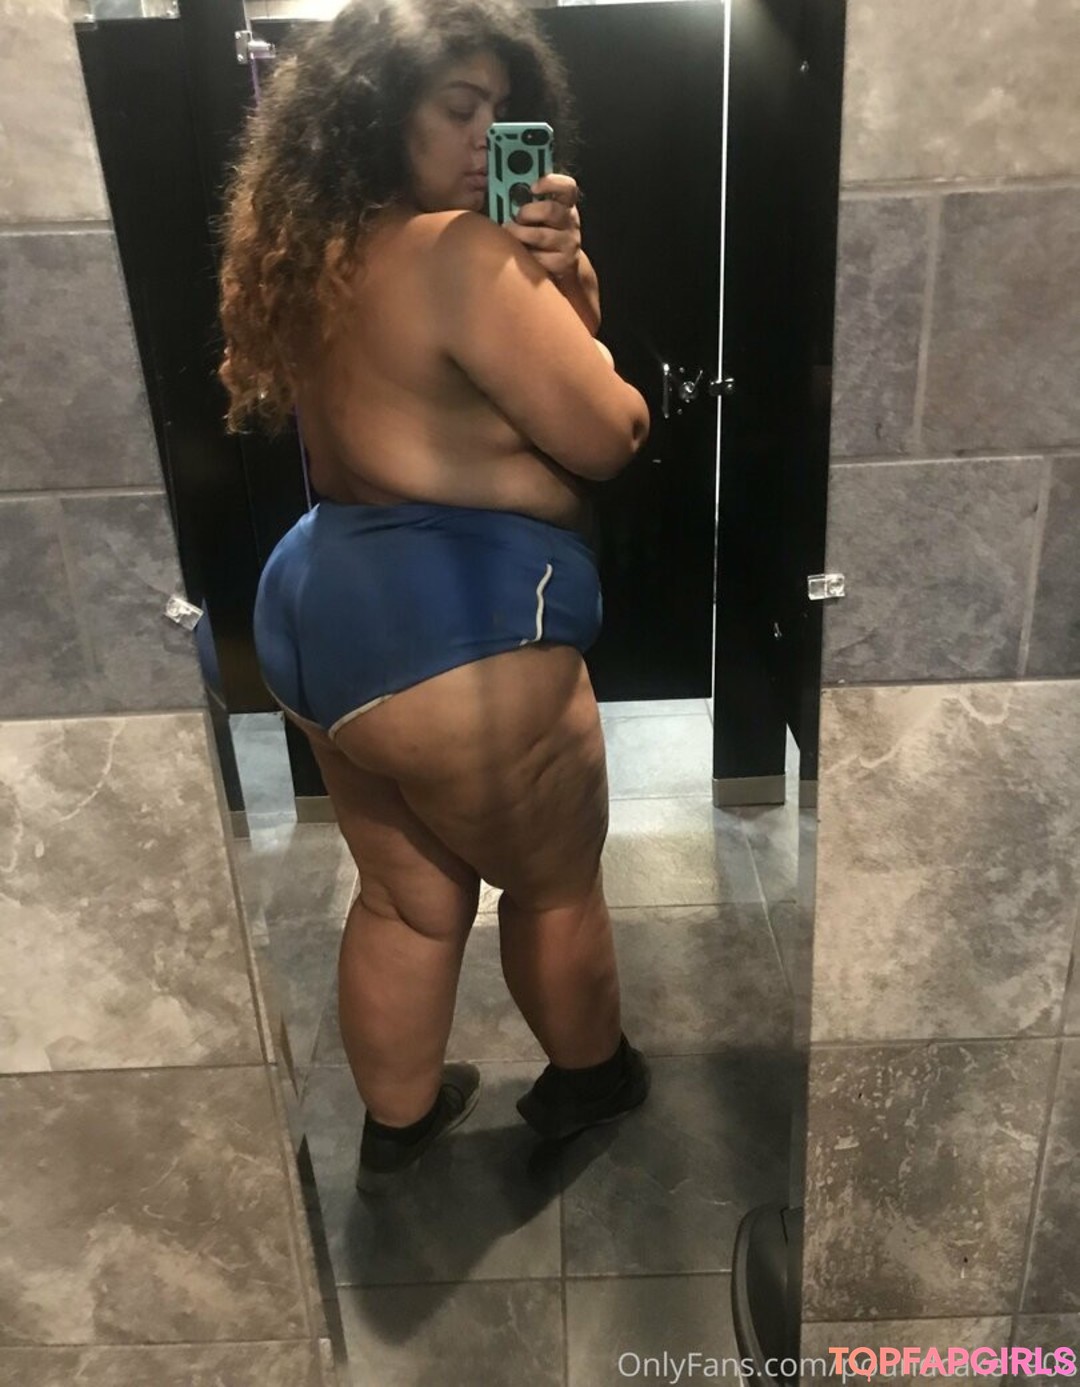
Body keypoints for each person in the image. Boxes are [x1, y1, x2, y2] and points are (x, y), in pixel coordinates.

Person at [217, 0, 651, 1193]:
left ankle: (399, 1122)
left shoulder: (320, 249)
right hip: (461, 633)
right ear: (377, 114)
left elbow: (478, 385)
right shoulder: (463, 254)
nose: (484, 139)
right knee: (553, 882)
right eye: (458, 109)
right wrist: (557, 286)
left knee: (406, 900)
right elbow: (610, 429)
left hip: (317, 613)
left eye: (499, 113)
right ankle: (591, 1079)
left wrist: (561, 273)